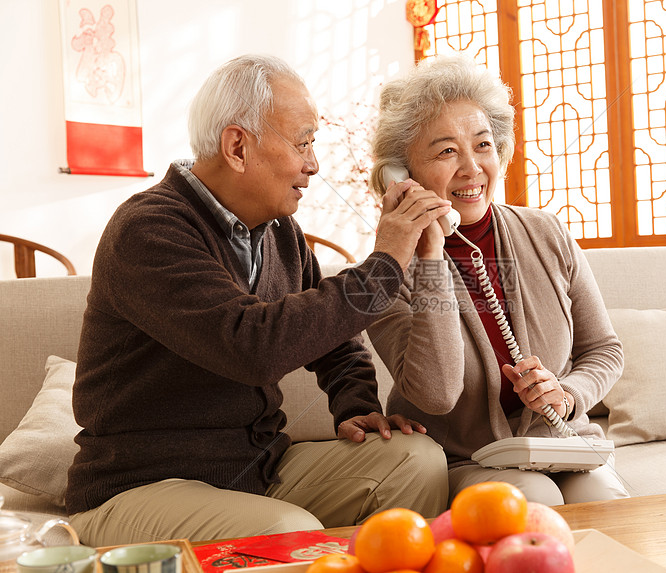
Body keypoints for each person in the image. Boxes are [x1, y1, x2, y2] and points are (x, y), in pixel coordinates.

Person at [66, 54, 453, 546]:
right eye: (304, 143)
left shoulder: (280, 232)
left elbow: (333, 339)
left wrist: (352, 401)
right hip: (137, 488)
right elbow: (251, 346)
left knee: (416, 461)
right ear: (237, 146)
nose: (313, 164)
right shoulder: (148, 229)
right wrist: (387, 260)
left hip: (257, 471)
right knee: (288, 533)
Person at [366, 53, 629, 507]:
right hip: (465, 460)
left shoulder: (548, 232)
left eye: (483, 145)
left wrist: (565, 395)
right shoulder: (385, 274)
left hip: (561, 445)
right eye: (446, 150)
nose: (471, 168)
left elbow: (604, 350)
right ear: (403, 175)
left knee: (606, 500)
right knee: (530, 500)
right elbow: (437, 394)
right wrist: (429, 252)